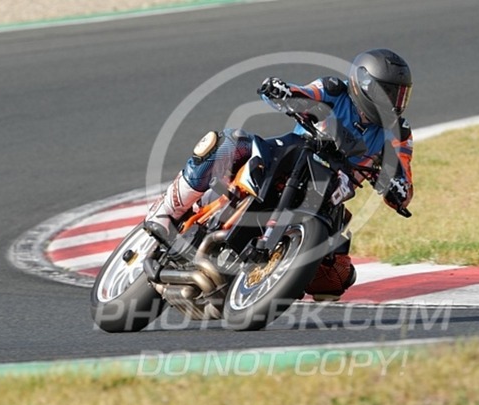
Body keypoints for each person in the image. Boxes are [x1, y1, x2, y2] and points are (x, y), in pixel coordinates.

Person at [145, 48, 414, 301]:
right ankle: (167, 210)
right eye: (388, 93)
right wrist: (282, 91)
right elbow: (304, 93)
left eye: (400, 96)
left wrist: (397, 189)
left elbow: (405, 180)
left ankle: (274, 273)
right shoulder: (334, 90)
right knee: (232, 142)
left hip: (332, 190)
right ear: (364, 85)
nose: (394, 103)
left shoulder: (399, 132)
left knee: (336, 280)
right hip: (295, 153)